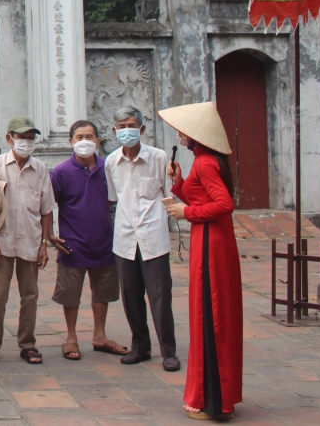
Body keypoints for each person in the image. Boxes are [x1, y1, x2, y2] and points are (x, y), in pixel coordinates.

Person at [160, 102, 242, 420]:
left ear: (195, 134)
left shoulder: (206, 162)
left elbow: (224, 204)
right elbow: (204, 198)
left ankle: (213, 399)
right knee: (210, 314)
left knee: (210, 315)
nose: (179, 133)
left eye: (182, 128)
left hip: (212, 244)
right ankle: (214, 395)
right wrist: (180, 185)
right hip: (209, 240)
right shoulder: (202, 161)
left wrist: (187, 213)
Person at [105, 106, 180, 372]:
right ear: (114, 131)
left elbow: (171, 194)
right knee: (131, 296)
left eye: (131, 125)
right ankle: (140, 345)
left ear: (142, 129)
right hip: (124, 237)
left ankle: (168, 351)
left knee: (160, 296)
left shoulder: (160, 159)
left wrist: (178, 177)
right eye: (121, 126)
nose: (127, 131)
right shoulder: (111, 162)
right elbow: (114, 198)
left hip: (153, 236)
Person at [0, 115, 54, 365]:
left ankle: (28, 344)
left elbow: (46, 209)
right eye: (22, 137)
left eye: (31, 138)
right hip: (2, 241)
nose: (27, 142)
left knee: (29, 295)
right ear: (10, 138)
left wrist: (44, 245)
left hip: (30, 242)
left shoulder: (40, 169)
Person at [48, 120, 127, 360]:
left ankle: (99, 336)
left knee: (102, 291)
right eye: (79, 137)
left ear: (98, 141)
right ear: (70, 142)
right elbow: (48, 205)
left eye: (90, 137)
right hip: (72, 244)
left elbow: (116, 200)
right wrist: (50, 236)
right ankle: (71, 338)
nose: (85, 141)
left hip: (104, 242)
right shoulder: (60, 172)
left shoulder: (109, 168)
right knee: (70, 293)